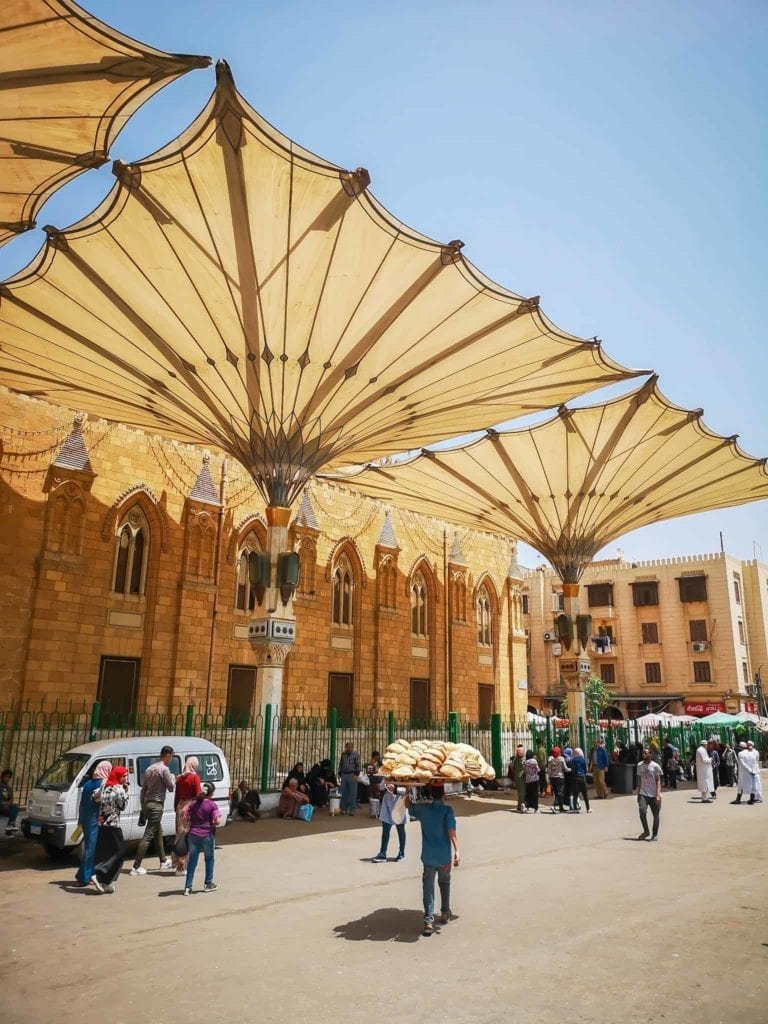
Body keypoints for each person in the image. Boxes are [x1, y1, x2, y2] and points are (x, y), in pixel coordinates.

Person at [406, 783, 459, 937]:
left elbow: (408, 806)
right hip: (444, 857)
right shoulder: (447, 810)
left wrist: (407, 790)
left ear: (430, 794)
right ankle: (444, 912)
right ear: (444, 795)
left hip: (428, 857)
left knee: (428, 888)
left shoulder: (423, 810)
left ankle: (428, 921)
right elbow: (451, 831)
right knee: (445, 883)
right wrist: (457, 850)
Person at [130, 745, 175, 876]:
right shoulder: (164, 770)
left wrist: (143, 805)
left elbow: (144, 789)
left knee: (158, 832)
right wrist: (172, 778)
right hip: (156, 805)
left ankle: (163, 861)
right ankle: (136, 866)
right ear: (167, 755)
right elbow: (171, 787)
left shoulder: (150, 769)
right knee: (149, 834)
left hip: (147, 804)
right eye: (171, 756)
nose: (171, 758)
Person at [90, 765, 129, 894]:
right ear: (118, 776)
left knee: (105, 852)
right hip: (113, 825)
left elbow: (94, 797)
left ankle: (104, 883)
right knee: (120, 851)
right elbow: (123, 806)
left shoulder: (104, 786)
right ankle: (100, 875)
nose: (125, 778)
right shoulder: (119, 789)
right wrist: (126, 792)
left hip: (102, 824)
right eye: (124, 776)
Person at [75, 760, 110, 886]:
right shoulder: (103, 783)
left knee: (90, 847)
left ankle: (83, 874)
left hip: (85, 818)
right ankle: (85, 877)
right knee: (91, 848)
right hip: (94, 820)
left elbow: (82, 803)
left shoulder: (88, 783)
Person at [183, 781, 221, 895]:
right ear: (211, 793)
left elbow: (185, 816)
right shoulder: (212, 805)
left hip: (193, 836)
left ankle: (188, 887)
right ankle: (208, 883)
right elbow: (217, 821)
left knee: (192, 861)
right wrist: (212, 822)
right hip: (207, 836)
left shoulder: (193, 803)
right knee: (209, 859)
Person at [172, 757, 201, 873]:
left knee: (180, 836)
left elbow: (177, 795)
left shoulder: (179, 778)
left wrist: (177, 808)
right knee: (190, 836)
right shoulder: (195, 778)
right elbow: (198, 794)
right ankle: (185, 865)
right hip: (191, 807)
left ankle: (178, 866)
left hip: (180, 807)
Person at [372, 781, 408, 862]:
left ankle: (401, 853)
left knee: (400, 830)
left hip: (400, 803)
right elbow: (381, 787)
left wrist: (395, 789)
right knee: (385, 830)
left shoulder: (404, 776)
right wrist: (385, 786)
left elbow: (407, 790)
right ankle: (382, 853)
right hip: (387, 804)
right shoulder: (387, 773)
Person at [636, 747, 662, 841]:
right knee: (642, 811)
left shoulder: (655, 766)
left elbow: (658, 781)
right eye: (643, 753)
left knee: (656, 815)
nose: (644, 755)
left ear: (650, 755)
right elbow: (639, 780)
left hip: (654, 794)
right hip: (643, 793)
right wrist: (638, 794)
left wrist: (658, 795)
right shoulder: (639, 765)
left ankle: (654, 834)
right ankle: (646, 831)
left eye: (646, 753)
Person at [338, 741, 361, 815]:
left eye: (350, 747)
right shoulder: (343, 754)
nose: (349, 749)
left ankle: (352, 809)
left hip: (352, 774)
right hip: (344, 774)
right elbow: (341, 764)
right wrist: (339, 773)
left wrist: (356, 775)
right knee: (343, 792)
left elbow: (358, 765)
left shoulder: (356, 755)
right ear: (346, 748)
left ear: (352, 748)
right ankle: (343, 808)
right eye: (348, 747)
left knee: (353, 793)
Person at [569, 747, 590, 813]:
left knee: (575, 794)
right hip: (582, 777)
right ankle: (588, 808)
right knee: (585, 794)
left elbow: (572, 769)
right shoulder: (583, 759)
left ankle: (575, 809)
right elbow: (585, 769)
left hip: (575, 778)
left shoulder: (573, 760)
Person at [547, 746, 567, 814]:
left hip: (553, 778)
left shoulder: (550, 759)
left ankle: (555, 806)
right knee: (560, 792)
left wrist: (549, 778)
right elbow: (565, 768)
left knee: (556, 792)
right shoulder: (561, 759)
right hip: (560, 777)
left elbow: (549, 769)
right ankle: (560, 807)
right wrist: (571, 769)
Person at [0, 769, 20, 836]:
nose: (7, 778)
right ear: (2, 777)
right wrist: (3, 803)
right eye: (6, 776)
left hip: (5, 808)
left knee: (15, 806)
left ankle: (10, 825)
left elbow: (11, 800)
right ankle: (9, 829)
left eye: (9, 777)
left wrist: (7, 803)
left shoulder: (9, 788)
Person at [509, 745, 526, 812]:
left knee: (519, 792)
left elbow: (512, 768)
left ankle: (519, 805)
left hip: (517, 777)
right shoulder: (524, 759)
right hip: (522, 777)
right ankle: (521, 805)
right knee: (522, 792)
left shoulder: (515, 759)